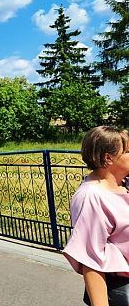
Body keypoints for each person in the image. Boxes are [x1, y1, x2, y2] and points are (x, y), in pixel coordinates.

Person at [63, 126, 129, 306]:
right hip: (121, 285)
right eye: (128, 151)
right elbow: (92, 260)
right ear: (109, 158)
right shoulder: (92, 197)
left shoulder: (123, 184)